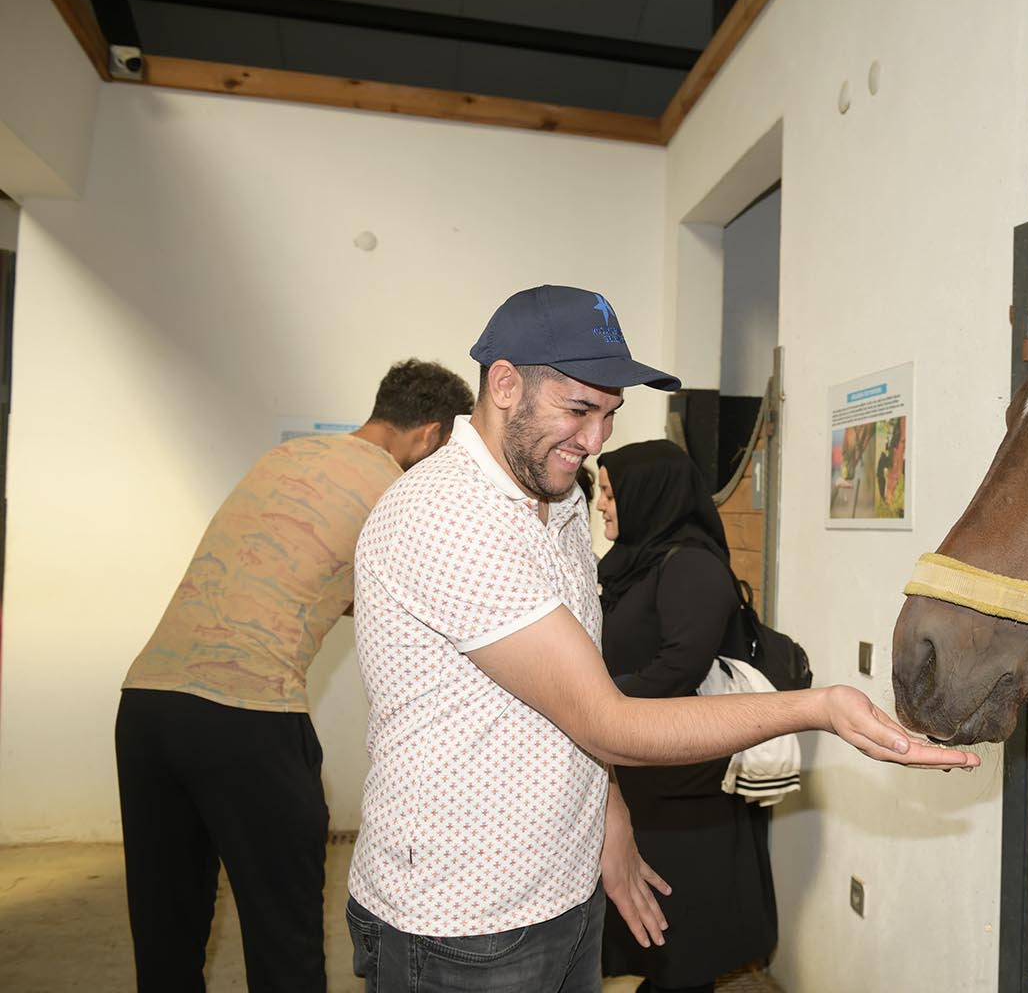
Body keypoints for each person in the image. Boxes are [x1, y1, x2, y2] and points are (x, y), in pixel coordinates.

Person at [345, 284, 978, 993]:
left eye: (610, 415)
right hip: (464, 921)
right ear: (503, 383)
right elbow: (606, 721)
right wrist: (818, 707)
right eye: (578, 409)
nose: (595, 442)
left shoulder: (557, 503)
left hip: (562, 892)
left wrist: (608, 821)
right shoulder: (449, 516)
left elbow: (569, 711)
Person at [115, 358, 475, 993]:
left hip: (147, 704)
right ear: (431, 435)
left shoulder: (285, 459)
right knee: (285, 938)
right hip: (246, 715)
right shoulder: (398, 489)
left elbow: (306, 573)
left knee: (165, 932)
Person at [595, 440, 777, 993]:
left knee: (684, 942)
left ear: (647, 496)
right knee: (657, 942)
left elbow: (680, 664)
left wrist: (597, 711)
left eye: (609, 493)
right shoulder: (634, 563)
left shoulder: (692, 566)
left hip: (685, 789)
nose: (601, 505)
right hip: (642, 772)